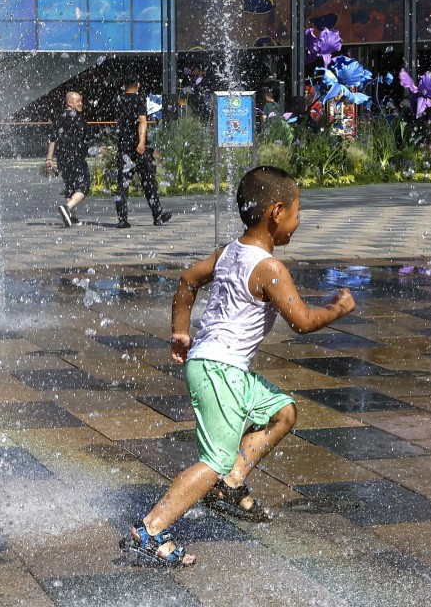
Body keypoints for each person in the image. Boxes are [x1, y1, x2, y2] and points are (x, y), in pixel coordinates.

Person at [120, 166, 356, 567]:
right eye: (297, 215)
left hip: (220, 367)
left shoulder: (229, 252)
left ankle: (231, 484)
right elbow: (302, 322)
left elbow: (188, 280)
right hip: (221, 370)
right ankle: (152, 529)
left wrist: (181, 332)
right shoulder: (270, 268)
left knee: (283, 411)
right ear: (276, 212)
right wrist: (339, 308)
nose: (298, 224)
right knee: (212, 460)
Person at [114, 77, 171, 229]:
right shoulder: (139, 99)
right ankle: (157, 215)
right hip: (138, 147)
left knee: (123, 183)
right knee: (148, 181)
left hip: (123, 146)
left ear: (124, 84)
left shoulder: (118, 99)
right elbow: (142, 121)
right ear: (138, 85)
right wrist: (141, 142)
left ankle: (122, 218)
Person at [46, 91, 91, 227]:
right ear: (69, 103)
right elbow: (84, 140)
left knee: (70, 186)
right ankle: (67, 208)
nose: (81, 104)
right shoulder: (78, 119)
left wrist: (49, 158)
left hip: (62, 157)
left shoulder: (59, 117)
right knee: (84, 185)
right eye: (77, 101)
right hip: (76, 156)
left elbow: (53, 139)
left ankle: (71, 217)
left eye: (81, 101)